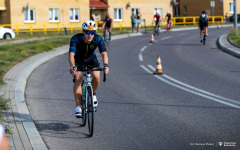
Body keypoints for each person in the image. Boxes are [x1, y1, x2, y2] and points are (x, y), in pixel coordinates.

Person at [69, 20, 109, 118]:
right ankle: (78, 107)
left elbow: (104, 53)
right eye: (87, 32)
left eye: (92, 32)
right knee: (78, 78)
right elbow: (71, 54)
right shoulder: (76, 39)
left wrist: (105, 65)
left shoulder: (98, 39)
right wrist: (73, 66)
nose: (90, 35)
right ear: (83, 31)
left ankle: (93, 94)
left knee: (96, 76)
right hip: (79, 60)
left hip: (91, 59)